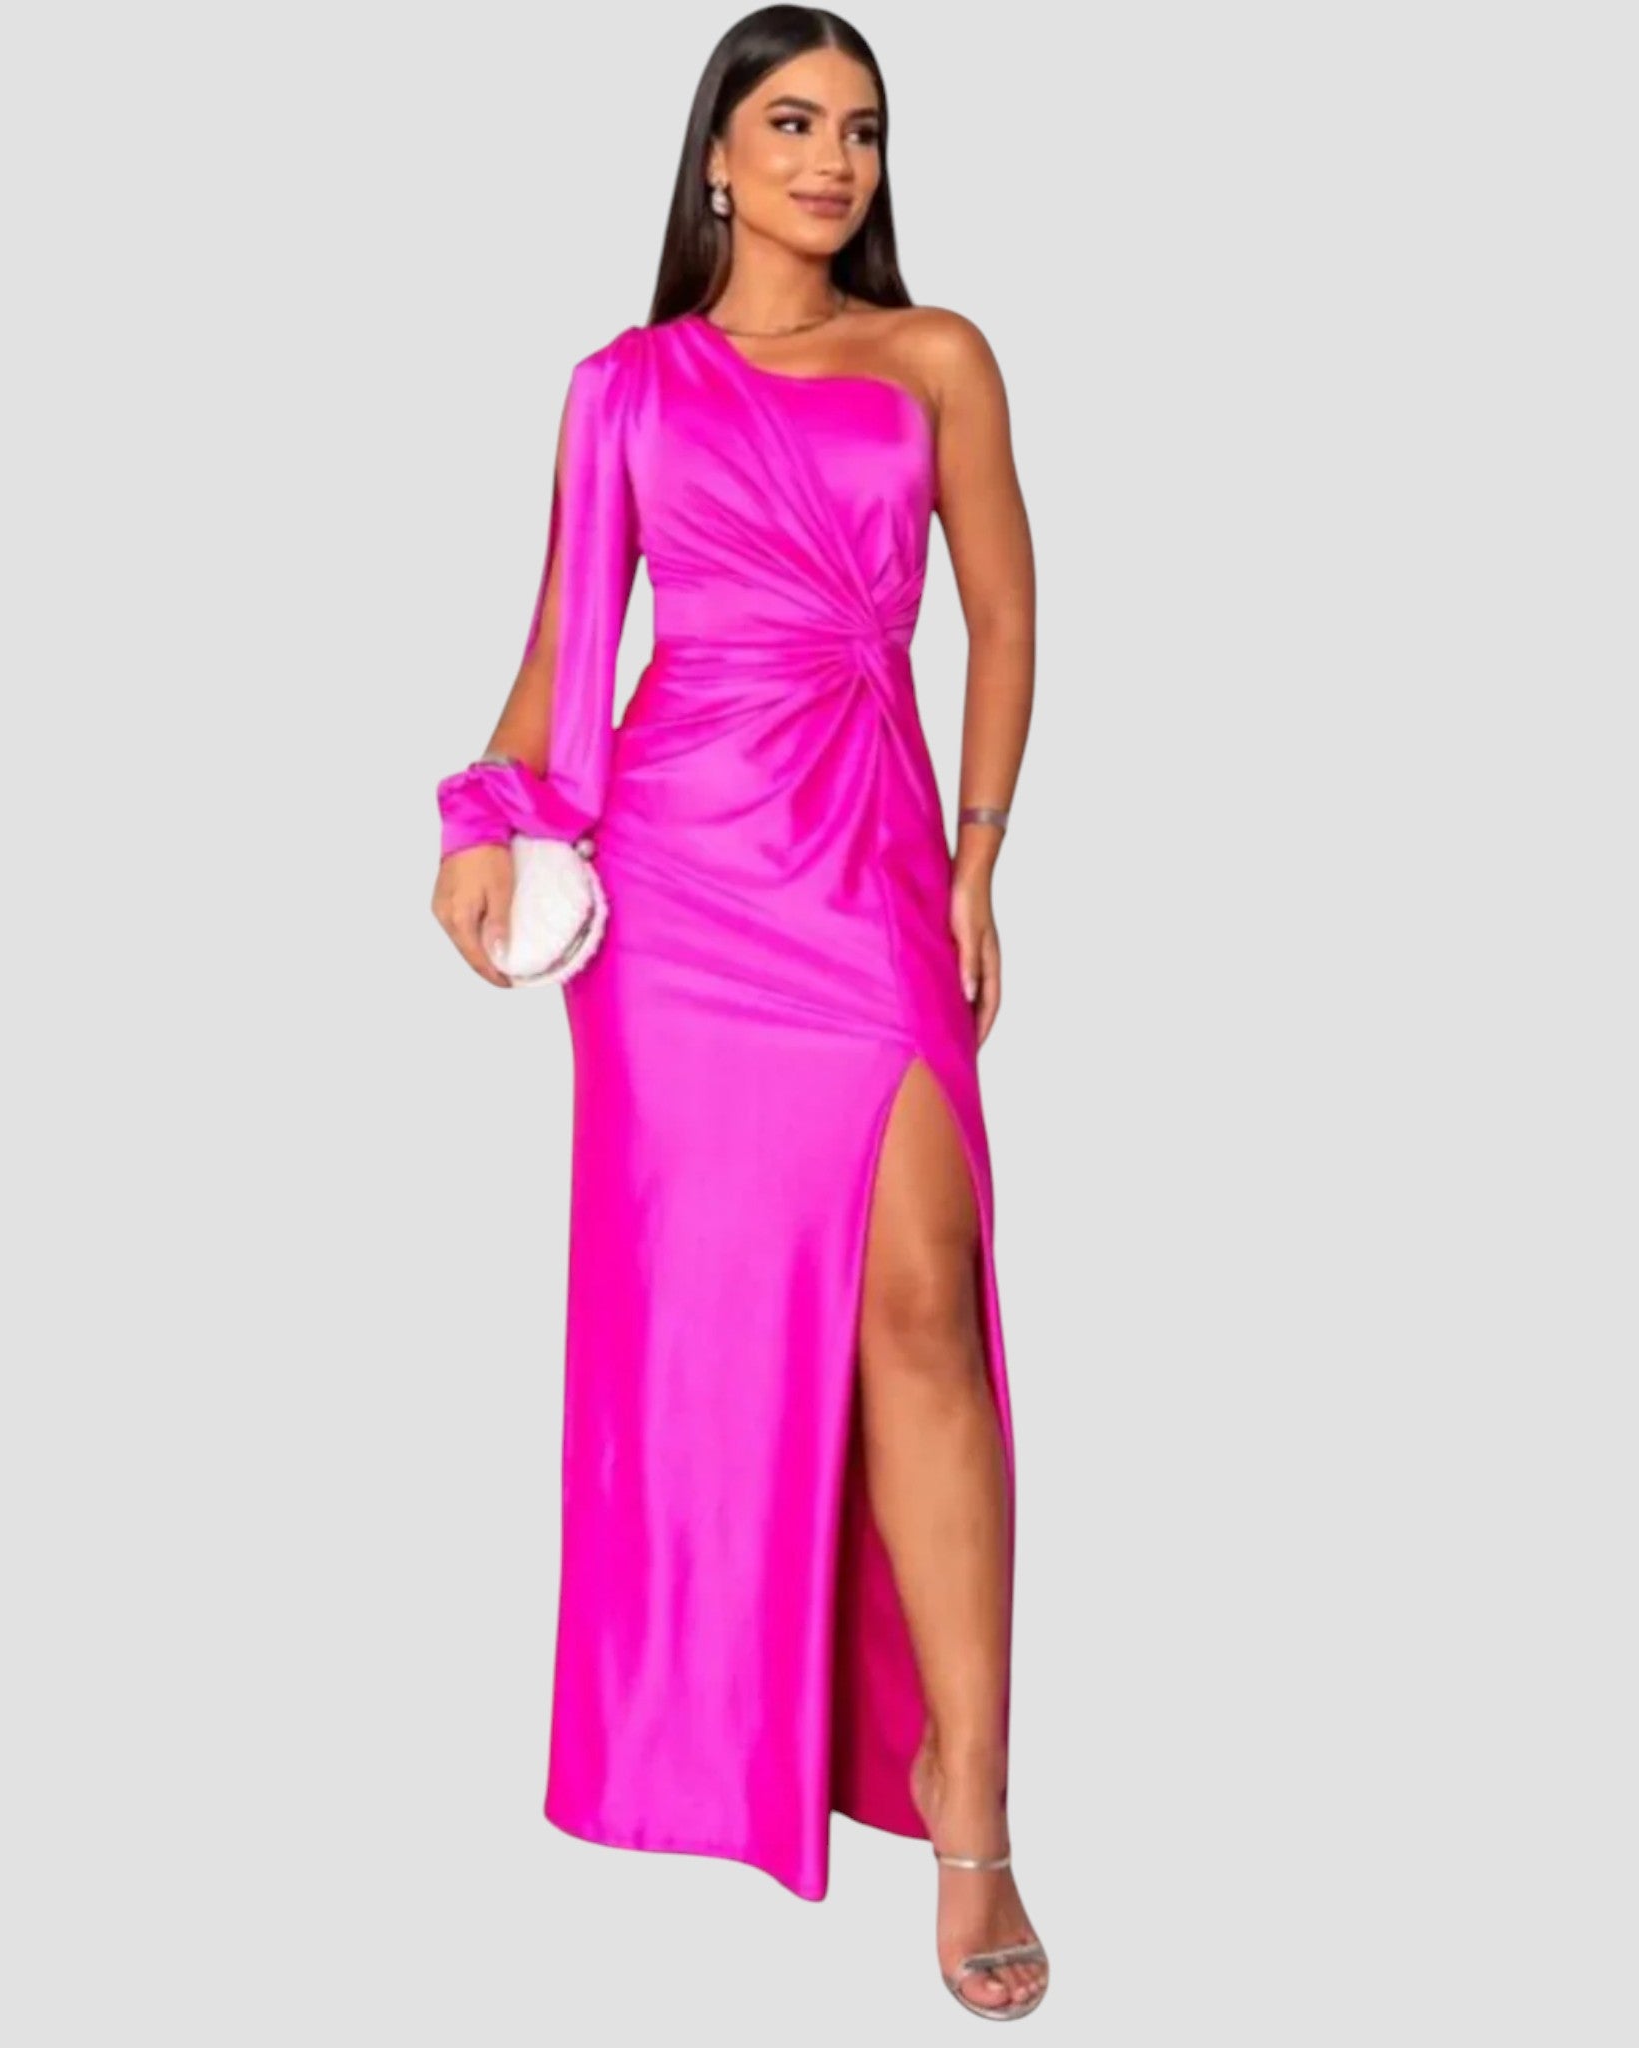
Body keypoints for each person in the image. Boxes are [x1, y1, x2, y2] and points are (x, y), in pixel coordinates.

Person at [430, 6, 1044, 2020]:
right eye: (791, 123)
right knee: (711, 1338)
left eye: (860, 129)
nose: (831, 160)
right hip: (682, 891)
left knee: (922, 1302)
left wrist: (975, 857)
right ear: (715, 153)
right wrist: (484, 819)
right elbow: (564, 641)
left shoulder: (933, 356)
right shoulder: (623, 387)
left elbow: (1005, 612)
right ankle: (719, 1749)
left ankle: (972, 1802)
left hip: (865, 861)